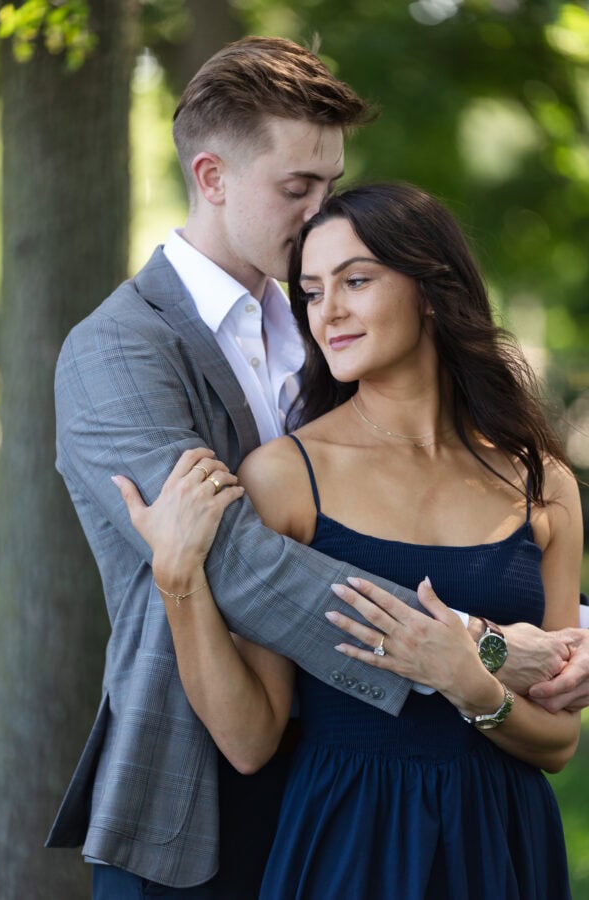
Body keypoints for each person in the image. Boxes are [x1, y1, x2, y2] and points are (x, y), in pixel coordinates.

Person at [48, 36, 480, 899]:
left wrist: (553, 620)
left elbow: (413, 504)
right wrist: (471, 644)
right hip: (191, 801)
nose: (323, 213)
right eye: (298, 189)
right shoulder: (116, 350)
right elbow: (234, 560)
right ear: (211, 178)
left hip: (347, 795)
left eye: (333, 185)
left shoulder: (329, 329)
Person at [115, 182, 584, 899]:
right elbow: (249, 740)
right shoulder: (284, 478)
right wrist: (178, 579)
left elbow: (558, 744)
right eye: (309, 290)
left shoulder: (542, 483)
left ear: (430, 288)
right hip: (347, 842)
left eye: (355, 281)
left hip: (505, 842)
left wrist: (468, 680)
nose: (326, 311)